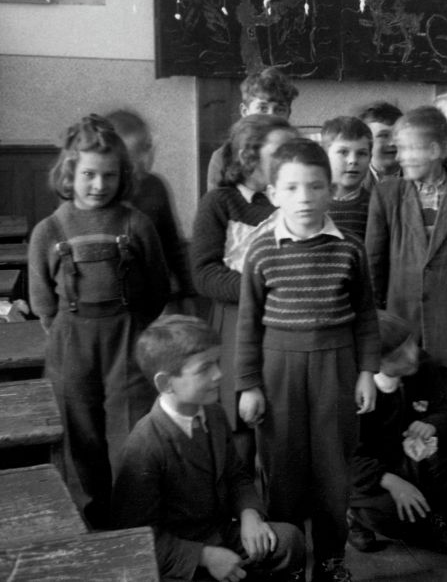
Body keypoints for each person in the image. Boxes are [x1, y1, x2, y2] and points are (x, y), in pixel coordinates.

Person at [237, 138, 381, 582]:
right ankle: (290, 559)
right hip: (279, 369)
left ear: (330, 190)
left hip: (336, 366)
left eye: (315, 187)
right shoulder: (261, 251)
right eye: (293, 188)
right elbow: (247, 325)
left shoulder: (350, 249)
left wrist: (367, 372)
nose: (305, 198)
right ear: (274, 193)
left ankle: (331, 557)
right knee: (283, 468)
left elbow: (366, 317)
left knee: (333, 470)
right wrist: (248, 384)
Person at [29, 115, 169, 529]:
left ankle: (138, 518)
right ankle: (97, 518)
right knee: (82, 436)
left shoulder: (135, 224)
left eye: (109, 176)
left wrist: (135, 325)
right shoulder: (49, 230)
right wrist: (68, 330)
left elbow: (158, 289)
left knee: (132, 433)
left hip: (127, 339)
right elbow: (42, 302)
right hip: (71, 344)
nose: (98, 185)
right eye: (89, 174)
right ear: (69, 173)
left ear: (122, 177)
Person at [364, 106, 447, 520]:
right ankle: (401, 500)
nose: (400, 157)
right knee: (396, 421)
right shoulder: (386, 193)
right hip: (399, 334)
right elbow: (373, 265)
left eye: (408, 149)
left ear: (437, 150)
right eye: (398, 150)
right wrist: (375, 332)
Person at [112, 315, 306, 582]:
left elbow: (236, 475)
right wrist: (205, 556)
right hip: (180, 557)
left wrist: (250, 514)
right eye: (204, 368)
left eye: (216, 362)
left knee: (289, 541)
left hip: (219, 534)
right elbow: (137, 540)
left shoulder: (213, 414)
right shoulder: (144, 446)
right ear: (165, 383)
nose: (218, 374)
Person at [192, 114, 296, 467]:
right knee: (238, 431)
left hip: (285, 327)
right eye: (280, 152)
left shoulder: (291, 203)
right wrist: (261, 288)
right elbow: (204, 273)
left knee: (283, 426)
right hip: (236, 325)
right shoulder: (220, 202)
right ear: (250, 156)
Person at [347, 311, 447, 557]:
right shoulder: (351, 391)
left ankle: (433, 519)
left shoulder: (421, 365)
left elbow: (446, 410)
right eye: (399, 354)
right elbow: (344, 459)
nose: (413, 354)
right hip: (370, 474)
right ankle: (356, 516)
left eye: (412, 343)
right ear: (375, 362)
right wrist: (390, 482)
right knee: (391, 512)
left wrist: (433, 424)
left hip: (408, 458)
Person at [106, 108, 195, 314]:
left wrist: (187, 294)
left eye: (146, 148)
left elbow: (173, 244)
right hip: (116, 300)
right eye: (134, 153)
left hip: (158, 295)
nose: (145, 159)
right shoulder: (105, 194)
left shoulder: (155, 186)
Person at [205, 68, 299, 192]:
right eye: (262, 108)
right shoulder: (223, 157)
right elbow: (216, 206)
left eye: (280, 110)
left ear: (288, 114)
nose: (270, 116)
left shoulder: (298, 154)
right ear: (245, 111)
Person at [321, 115, 374, 240]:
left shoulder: (375, 206)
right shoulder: (312, 204)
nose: (353, 160)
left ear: (370, 158)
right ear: (325, 156)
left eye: (361, 153)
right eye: (343, 152)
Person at [358, 101, 403, 191]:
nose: (392, 143)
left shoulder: (420, 180)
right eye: (384, 136)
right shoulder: (353, 183)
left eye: (398, 135)